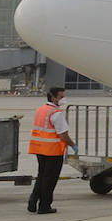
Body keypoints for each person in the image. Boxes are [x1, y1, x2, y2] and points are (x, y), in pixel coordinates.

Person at [27, 86, 75, 214]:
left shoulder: (41, 110)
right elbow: (63, 135)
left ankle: (33, 200)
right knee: (50, 180)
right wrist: (72, 145)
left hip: (39, 149)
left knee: (42, 176)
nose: (63, 99)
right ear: (53, 98)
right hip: (52, 151)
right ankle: (44, 206)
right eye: (61, 97)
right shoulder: (56, 114)